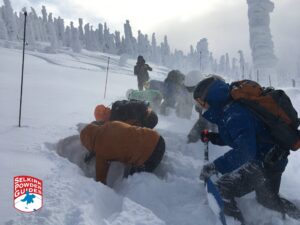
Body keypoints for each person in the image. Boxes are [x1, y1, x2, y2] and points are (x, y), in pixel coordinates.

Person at [193, 76, 299, 223]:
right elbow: (238, 137)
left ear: (210, 96)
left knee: (222, 189)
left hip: (265, 162)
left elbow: (245, 151)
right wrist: (213, 137)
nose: (201, 106)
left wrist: (215, 166)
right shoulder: (228, 110)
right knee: (268, 201)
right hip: (271, 157)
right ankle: (295, 214)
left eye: (200, 102)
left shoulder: (234, 113)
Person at [80, 120, 165, 184]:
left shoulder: (101, 152)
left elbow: (100, 181)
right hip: (156, 137)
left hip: (150, 155)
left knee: (133, 179)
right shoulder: (110, 124)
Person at [94, 99, 158, 129]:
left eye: (102, 120)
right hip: (150, 112)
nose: (104, 123)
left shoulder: (116, 117)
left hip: (149, 118)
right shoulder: (116, 105)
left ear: (104, 115)